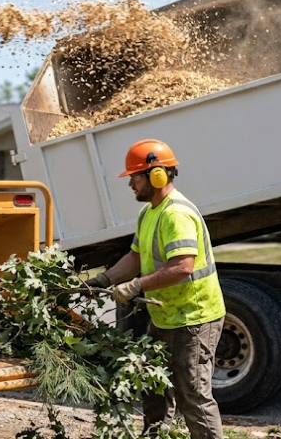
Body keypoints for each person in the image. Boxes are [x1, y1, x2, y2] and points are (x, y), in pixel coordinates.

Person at [84, 139, 226, 439]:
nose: (131, 184)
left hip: (194, 318)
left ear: (157, 175)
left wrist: (136, 286)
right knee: (152, 383)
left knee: (194, 397)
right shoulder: (149, 213)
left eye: (135, 177)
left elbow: (182, 266)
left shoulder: (176, 214)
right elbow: (135, 257)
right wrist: (103, 280)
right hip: (165, 317)